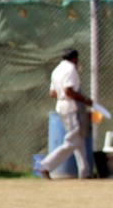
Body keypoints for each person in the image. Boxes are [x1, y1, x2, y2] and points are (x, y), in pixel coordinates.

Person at [39, 48, 93, 179]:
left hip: (61, 106)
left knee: (78, 140)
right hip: (71, 107)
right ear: (74, 58)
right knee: (72, 141)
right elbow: (68, 91)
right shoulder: (71, 69)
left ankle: (84, 172)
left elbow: (53, 93)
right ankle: (46, 165)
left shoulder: (56, 70)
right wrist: (85, 99)